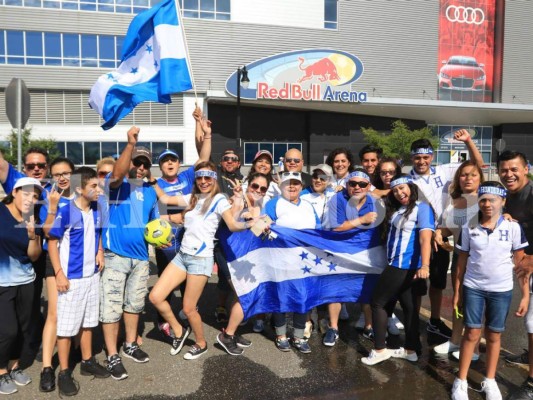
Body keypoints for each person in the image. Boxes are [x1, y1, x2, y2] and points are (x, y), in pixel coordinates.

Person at [150, 161, 254, 360]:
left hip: (200, 259)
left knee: (188, 308)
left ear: (213, 179)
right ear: (196, 180)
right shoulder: (192, 198)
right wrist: (153, 180)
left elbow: (232, 225)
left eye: (208, 177)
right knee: (155, 297)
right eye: (200, 177)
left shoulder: (220, 200)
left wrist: (249, 223)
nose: (204, 181)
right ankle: (179, 331)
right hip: (183, 256)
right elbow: (164, 198)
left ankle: (201, 343)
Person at [451, 181, 529, 400]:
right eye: (483, 199)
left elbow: (521, 265)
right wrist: (457, 292)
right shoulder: (469, 227)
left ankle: (491, 380)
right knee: (472, 333)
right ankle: (461, 380)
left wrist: (524, 295)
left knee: (494, 335)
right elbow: (460, 264)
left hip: (501, 289)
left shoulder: (513, 227)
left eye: (492, 200)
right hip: (473, 287)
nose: (487, 204)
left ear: (503, 202)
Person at [409, 129, 484, 339]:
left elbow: (477, 165)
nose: (421, 161)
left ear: (431, 157)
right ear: (411, 157)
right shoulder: (407, 179)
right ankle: (413, 321)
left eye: (425, 157)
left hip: (442, 235)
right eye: (417, 157)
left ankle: (434, 320)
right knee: (416, 283)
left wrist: (469, 141)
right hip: (420, 237)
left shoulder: (444, 170)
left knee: (438, 282)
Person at [99, 127, 159, 380]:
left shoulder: (150, 192)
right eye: (137, 162)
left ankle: (130, 344)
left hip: (141, 259)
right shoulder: (115, 185)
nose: (141, 168)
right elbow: (118, 171)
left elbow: (155, 226)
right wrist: (130, 145)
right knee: (111, 308)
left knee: (134, 305)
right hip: (115, 256)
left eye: (145, 164)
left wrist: (163, 239)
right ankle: (112, 355)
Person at [47, 168, 110, 396]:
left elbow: (98, 233)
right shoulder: (66, 211)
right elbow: (52, 243)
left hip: (92, 276)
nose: (98, 190)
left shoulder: (97, 209)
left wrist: (100, 249)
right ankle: (64, 372)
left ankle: (87, 361)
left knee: (87, 322)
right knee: (65, 328)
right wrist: (59, 274)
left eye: (98, 185)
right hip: (71, 279)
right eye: (93, 186)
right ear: (78, 189)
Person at [361, 175, 434, 366]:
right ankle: (410, 350)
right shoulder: (399, 209)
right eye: (395, 190)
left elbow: (425, 238)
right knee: (409, 308)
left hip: (403, 265)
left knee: (377, 303)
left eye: (403, 188)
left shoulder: (422, 208)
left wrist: (425, 265)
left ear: (411, 187)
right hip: (400, 265)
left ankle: (379, 349)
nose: (400, 193)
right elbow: (377, 193)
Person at [154, 109, 212, 336]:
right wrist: (171, 218)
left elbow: (204, 159)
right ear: (160, 166)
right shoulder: (155, 183)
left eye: (173, 159)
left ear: (179, 163)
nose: (170, 163)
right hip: (166, 239)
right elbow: (152, 212)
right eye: (165, 161)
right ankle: (164, 320)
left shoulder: (189, 177)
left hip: (188, 237)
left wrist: (206, 133)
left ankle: (187, 312)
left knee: (189, 281)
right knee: (164, 281)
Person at [264, 171, 320, 354]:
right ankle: (280, 335)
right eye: (288, 183)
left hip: (304, 261)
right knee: (280, 297)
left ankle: (298, 336)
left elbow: (318, 231)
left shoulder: (308, 206)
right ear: (281, 186)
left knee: (302, 298)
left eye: (296, 183)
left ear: (301, 186)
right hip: (280, 259)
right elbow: (261, 227)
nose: (292, 186)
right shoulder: (273, 204)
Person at [433, 161, 484, 360]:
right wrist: (439, 233)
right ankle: (455, 341)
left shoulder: (486, 200)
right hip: (459, 257)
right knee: (458, 299)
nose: (468, 178)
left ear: (480, 178)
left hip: (479, 261)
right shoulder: (454, 201)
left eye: (473, 175)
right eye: (463, 175)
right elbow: (449, 228)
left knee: (476, 303)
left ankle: (475, 347)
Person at [325, 169, 380, 347]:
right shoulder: (337, 199)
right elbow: (336, 227)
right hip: (341, 250)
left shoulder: (375, 201)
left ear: (368, 186)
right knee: (336, 289)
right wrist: (362, 220)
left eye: (362, 184)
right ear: (347, 185)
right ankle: (333, 328)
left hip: (366, 252)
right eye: (353, 184)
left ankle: (369, 326)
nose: (357, 187)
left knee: (367, 289)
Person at [216, 172, 269, 355]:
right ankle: (227, 335)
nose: (258, 190)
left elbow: (257, 232)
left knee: (240, 293)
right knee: (243, 293)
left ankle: (232, 330)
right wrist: (239, 200)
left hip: (242, 255)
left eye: (263, 188)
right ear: (248, 185)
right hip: (227, 253)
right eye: (255, 186)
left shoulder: (260, 205)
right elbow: (232, 221)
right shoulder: (238, 200)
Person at [0, 177, 42, 395]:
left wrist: (33, 236)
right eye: (26, 193)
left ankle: (14, 366)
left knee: (23, 329)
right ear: (14, 192)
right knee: (7, 330)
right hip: (2, 282)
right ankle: (1, 371)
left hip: (26, 281)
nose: (30, 199)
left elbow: (34, 256)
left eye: (35, 196)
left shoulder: (32, 219)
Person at [39, 157, 78, 393]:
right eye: (57, 174)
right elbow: (46, 232)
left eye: (66, 173)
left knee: (75, 310)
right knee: (54, 312)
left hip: (79, 262)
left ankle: (71, 356)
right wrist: (53, 207)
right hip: (54, 261)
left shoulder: (83, 197)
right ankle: (46, 367)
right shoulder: (49, 199)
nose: (62, 177)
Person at [498, 151, 533, 400]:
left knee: (532, 321)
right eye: (504, 170)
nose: (509, 174)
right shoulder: (508, 197)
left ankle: (531, 384)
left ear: (526, 169)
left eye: (514, 169)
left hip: (531, 263)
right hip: (524, 265)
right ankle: (530, 355)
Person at [214, 149, 243, 325]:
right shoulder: (216, 177)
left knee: (234, 275)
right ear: (221, 162)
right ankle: (220, 307)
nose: (230, 161)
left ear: (239, 163)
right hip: (217, 235)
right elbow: (203, 154)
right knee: (225, 276)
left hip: (236, 235)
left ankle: (236, 311)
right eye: (226, 159)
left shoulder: (244, 180)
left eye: (234, 159)